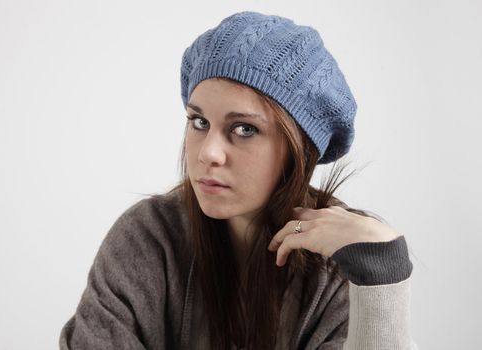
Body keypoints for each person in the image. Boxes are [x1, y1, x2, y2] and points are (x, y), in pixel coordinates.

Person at [59, 11, 418, 350]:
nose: (208, 153)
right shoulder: (149, 238)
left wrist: (381, 272)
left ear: (299, 149)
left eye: (244, 129)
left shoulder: (341, 262)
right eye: (199, 122)